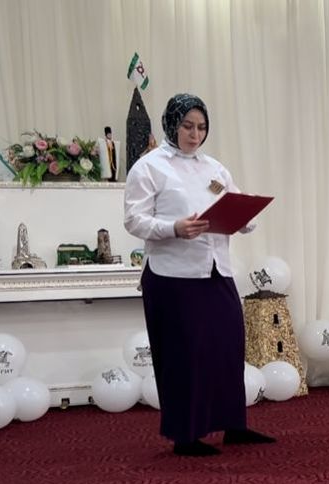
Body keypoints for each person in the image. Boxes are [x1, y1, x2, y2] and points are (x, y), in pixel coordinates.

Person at [123, 93, 273, 456]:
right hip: (173, 275)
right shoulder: (149, 167)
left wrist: (245, 216)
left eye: (202, 127)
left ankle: (233, 424)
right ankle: (185, 435)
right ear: (171, 124)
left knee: (228, 346)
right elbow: (133, 220)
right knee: (184, 355)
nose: (195, 134)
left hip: (216, 269)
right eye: (187, 126)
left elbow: (231, 202)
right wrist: (173, 228)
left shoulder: (213, 169)